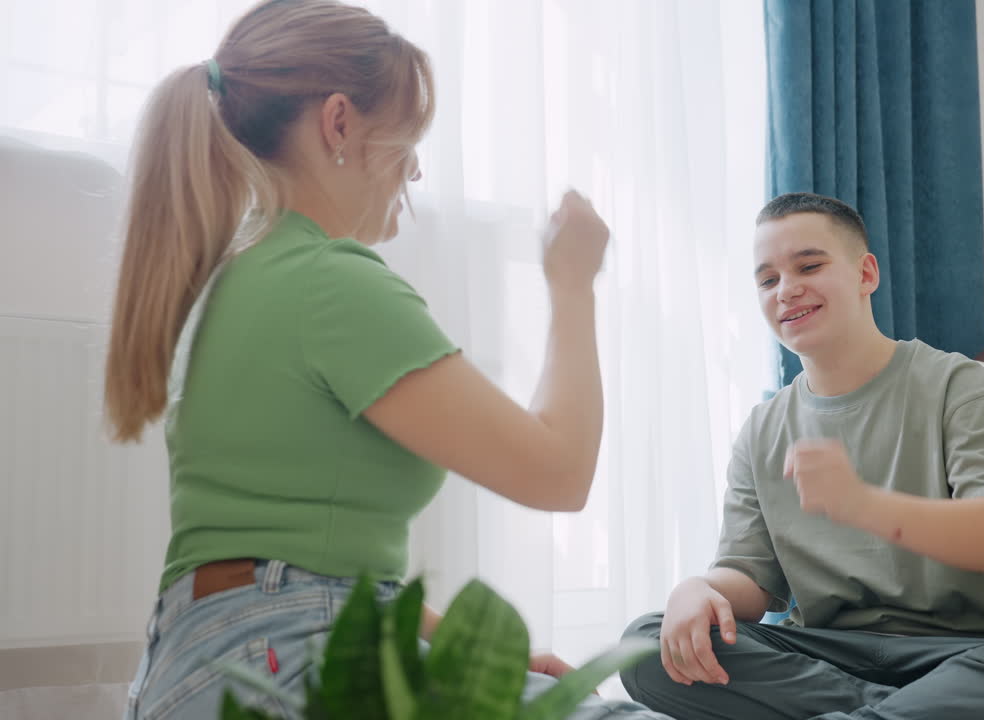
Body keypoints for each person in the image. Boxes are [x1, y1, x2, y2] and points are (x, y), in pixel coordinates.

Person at [105, 1, 670, 718]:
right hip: (281, 651)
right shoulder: (327, 280)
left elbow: (308, 559)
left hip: (210, 656)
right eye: (408, 138)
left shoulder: (240, 273)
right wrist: (571, 282)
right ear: (339, 123)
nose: (418, 168)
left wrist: (461, 648)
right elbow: (559, 472)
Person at [620, 192, 984, 719]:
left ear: (865, 274)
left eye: (809, 265)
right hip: (829, 653)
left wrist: (864, 504)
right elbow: (750, 582)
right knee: (645, 644)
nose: (787, 290)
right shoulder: (762, 429)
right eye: (767, 279)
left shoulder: (957, 386)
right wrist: (695, 589)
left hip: (968, 651)